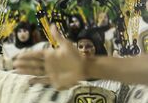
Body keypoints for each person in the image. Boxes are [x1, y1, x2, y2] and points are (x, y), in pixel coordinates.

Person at [14, 25, 148, 88]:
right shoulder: (73, 80)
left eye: (89, 46)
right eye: (81, 46)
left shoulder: (113, 82)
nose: (84, 50)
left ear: (98, 47)